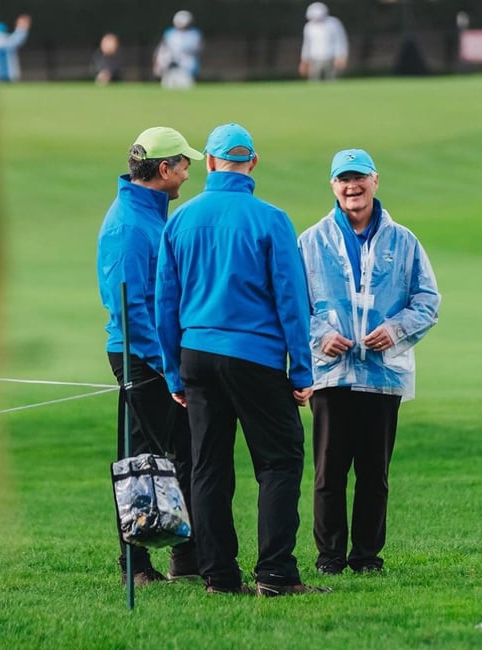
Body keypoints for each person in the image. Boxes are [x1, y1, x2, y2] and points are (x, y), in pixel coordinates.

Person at [155, 123, 329, 597]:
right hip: (255, 355)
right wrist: (302, 371)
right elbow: (292, 302)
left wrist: (174, 371)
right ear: (252, 164)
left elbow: (163, 304)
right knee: (278, 462)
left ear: (209, 163)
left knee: (209, 467)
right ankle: (274, 573)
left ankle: (218, 576)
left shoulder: (180, 221)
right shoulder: (271, 219)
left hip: (197, 356)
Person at [297, 149, 440, 576]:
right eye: (343, 179)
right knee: (329, 473)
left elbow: (428, 300)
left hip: (383, 376)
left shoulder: (404, 241)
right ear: (333, 186)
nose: (351, 187)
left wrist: (395, 330)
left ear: (375, 181)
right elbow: (292, 304)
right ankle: (329, 558)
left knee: (374, 473)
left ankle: (367, 557)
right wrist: (321, 336)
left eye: (359, 178)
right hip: (331, 375)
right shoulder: (311, 241)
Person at [97, 126, 204, 585]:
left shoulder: (153, 215)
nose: (186, 174)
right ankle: (136, 566)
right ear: (164, 170)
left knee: (186, 453)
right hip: (142, 357)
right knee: (142, 459)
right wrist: (169, 367)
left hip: (164, 356)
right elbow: (131, 310)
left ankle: (185, 559)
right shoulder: (128, 225)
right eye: (183, 166)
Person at [152, 10, 202, 89]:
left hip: (186, 68)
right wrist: (160, 64)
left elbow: (195, 49)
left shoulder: (194, 34)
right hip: (170, 67)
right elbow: (162, 50)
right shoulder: (170, 33)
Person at [299, 2, 348, 81]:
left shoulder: (333, 23)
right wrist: (304, 61)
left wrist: (341, 56)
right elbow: (307, 45)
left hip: (331, 58)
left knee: (332, 80)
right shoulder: (308, 27)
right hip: (314, 58)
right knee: (314, 81)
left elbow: (340, 41)